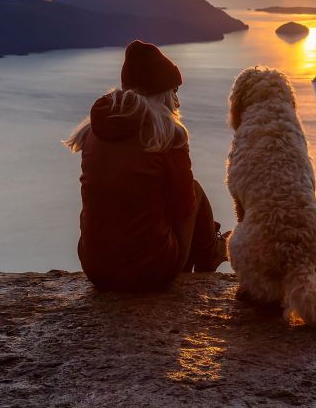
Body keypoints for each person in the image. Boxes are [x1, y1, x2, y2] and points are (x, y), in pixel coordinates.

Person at [64, 39, 229, 291]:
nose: (177, 101)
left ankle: (203, 254)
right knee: (194, 190)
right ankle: (210, 255)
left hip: (96, 268)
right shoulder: (166, 136)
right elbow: (183, 206)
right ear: (161, 92)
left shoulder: (93, 133)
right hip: (150, 272)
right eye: (174, 91)